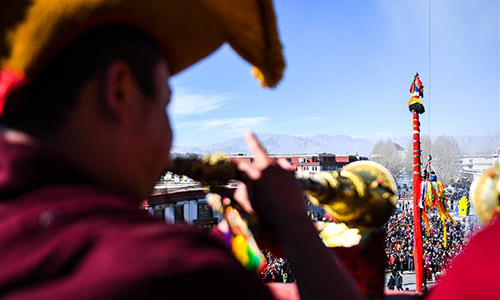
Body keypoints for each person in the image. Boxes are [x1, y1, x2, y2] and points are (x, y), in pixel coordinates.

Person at [0, 1, 364, 300]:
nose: (170, 136)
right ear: (120, 91)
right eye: (164, 104)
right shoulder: (176, 272)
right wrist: (294, 224)